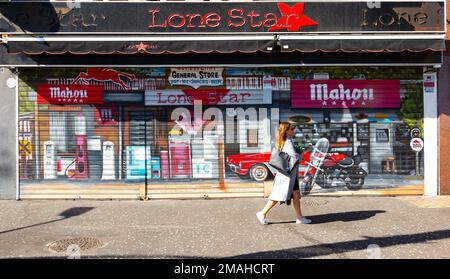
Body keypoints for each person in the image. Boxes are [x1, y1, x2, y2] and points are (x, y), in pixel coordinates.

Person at [256, 122, 312, 225]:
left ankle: (299, 218)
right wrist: (301, 154)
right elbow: (294, 158)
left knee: (295, 195)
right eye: (291, 129)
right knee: (278, 196)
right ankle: (262, 213)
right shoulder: (288, 142)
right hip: (288, 176)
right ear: (286, 131)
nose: (293, 130)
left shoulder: (282, 141)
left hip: (288, 175)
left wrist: (298, 151)